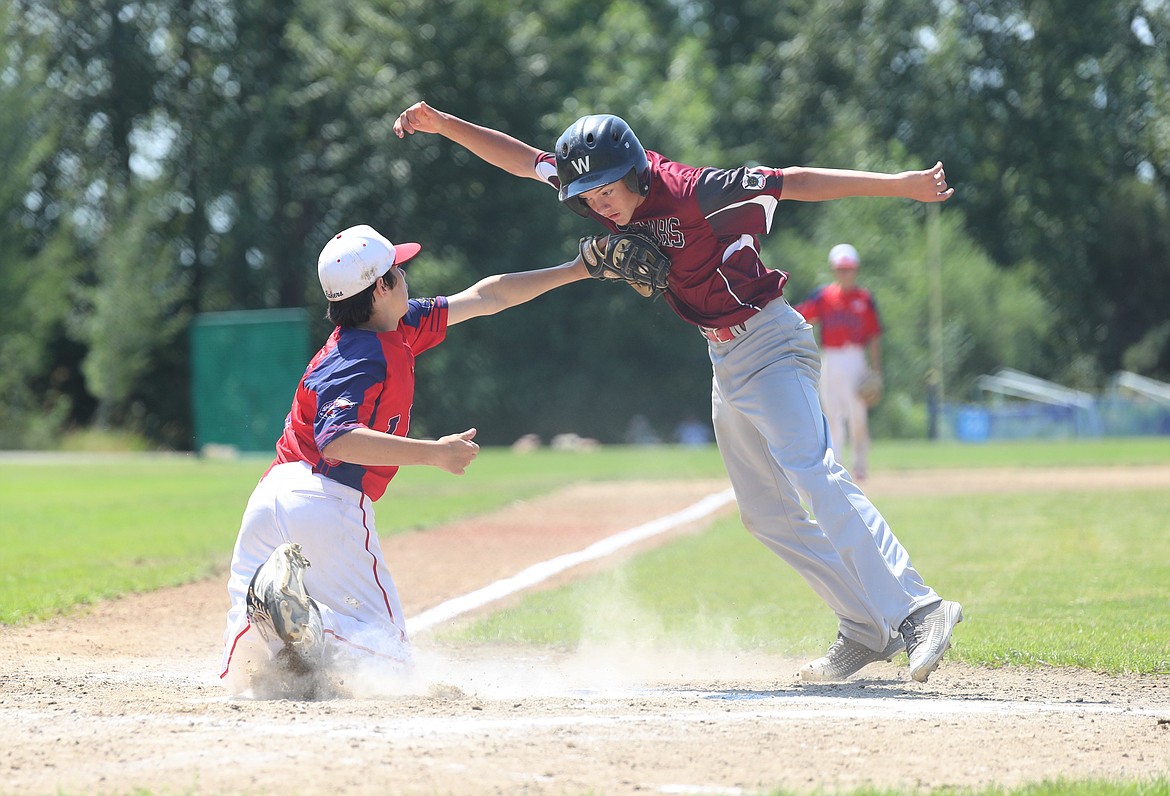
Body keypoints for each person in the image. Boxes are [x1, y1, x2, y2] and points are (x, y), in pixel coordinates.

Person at [393, 102, 963, 683]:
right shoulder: (596, 187)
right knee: (765, 515)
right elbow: (523, 160)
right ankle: (866, 628)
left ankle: (920, 609)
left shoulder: (698, 191)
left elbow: (795, 182)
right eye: (586, 194)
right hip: (723, 356)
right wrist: (443, 123)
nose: (597, 202)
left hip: (769, 337)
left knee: (814, 471)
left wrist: (901, 185)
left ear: (635, 168)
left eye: (605, 188)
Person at [219, 223, 588, 697]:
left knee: (249, 667)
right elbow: (338, 439)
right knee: (389, 661)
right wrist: (435, 453)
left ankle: (275, 622)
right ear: (381, 288)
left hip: (270, 497)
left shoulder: (395, 326)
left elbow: (487, 296)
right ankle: (314, 621)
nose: (405, 276)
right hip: (324, 498)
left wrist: (576, 269)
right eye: (398, 270)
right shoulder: (359, 358)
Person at [795, 243, 882, 480]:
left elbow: (874, 335)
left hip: (855, 357)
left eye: (849, 269)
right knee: (832, 412)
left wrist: (876, 370)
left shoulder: (864, 299)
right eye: (841, 269)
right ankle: (838, 464)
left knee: (857, 414)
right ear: (834, 270)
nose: (845, 273)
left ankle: (860, 463)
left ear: (856, 270)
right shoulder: (824, 296)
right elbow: (802, 317)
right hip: (830, 359)